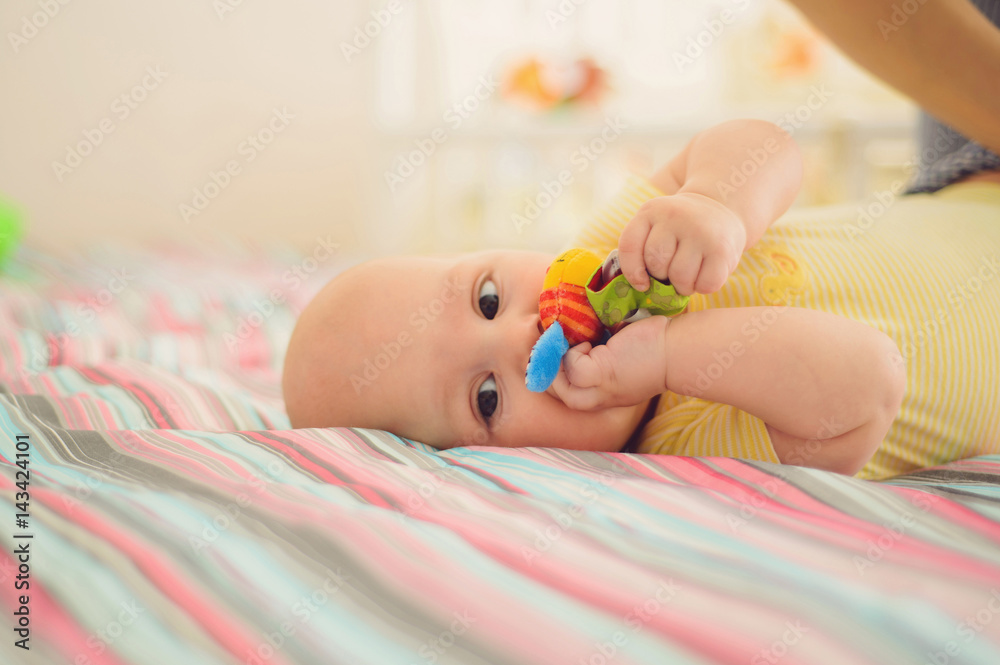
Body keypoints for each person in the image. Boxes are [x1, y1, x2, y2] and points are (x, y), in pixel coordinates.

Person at [282, 118, 1000, 481]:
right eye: (490, 398)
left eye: (490, 296)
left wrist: (718, 199)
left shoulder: (613, 250)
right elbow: (868, 380)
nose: (526, 337)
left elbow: (767, 145)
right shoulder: (684, 452)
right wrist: (664, 357)